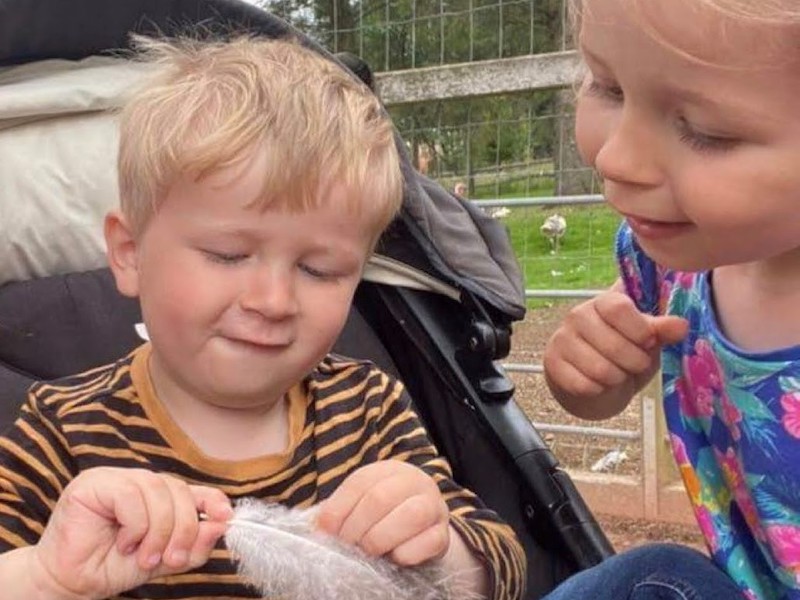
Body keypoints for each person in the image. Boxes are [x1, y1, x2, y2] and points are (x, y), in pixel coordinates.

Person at [0, 35, 526, 599]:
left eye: (320, 270)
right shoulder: (63, 430)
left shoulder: (369, 408)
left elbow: (505, 566)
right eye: (228, 256)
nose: (273, 301)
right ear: (130, 254)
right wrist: (48, 575)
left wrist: (441, 546)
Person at [543, 0, 800, 598]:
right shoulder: (666, 267)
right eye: (605, 86)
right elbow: (608, 374)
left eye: (705, 131)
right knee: (645, 578)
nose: (615, 159)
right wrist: (591, 370)